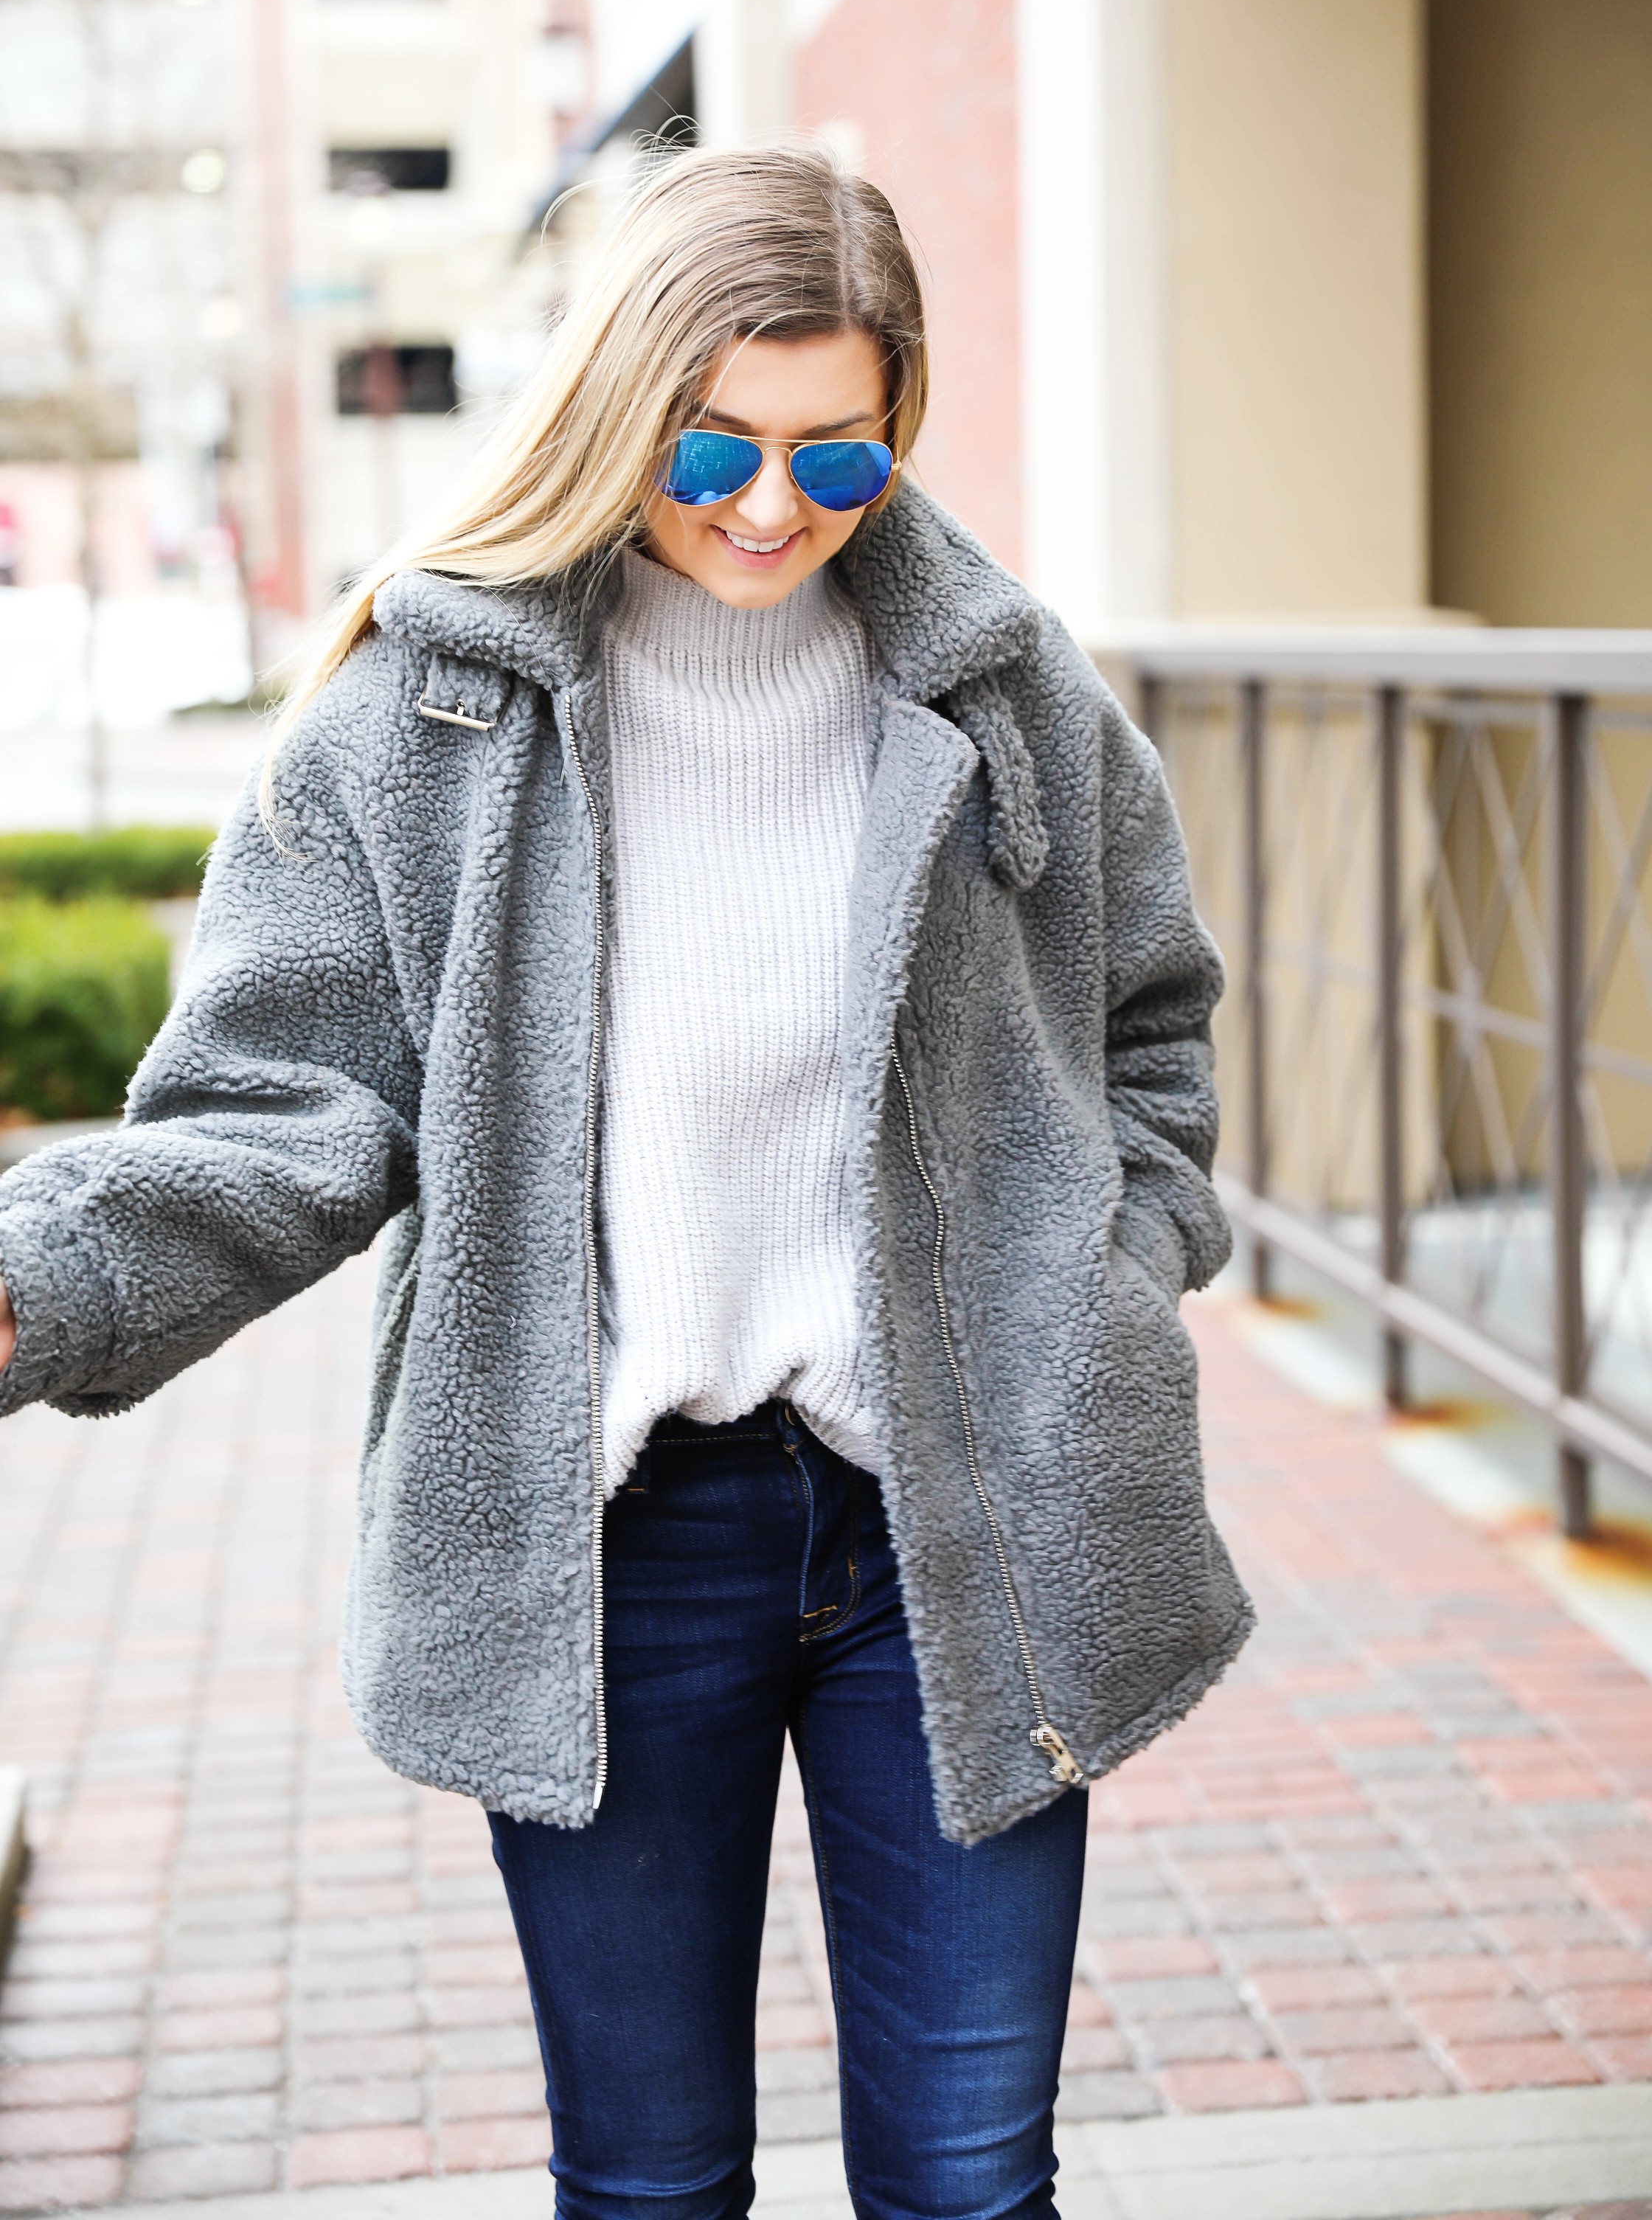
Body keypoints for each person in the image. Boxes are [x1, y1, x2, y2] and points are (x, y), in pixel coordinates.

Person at [0, 145, 1252, 2220]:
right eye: (717, 447)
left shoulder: (1006, 690)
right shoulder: (425, 716)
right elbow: (277, 1108)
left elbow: (1155, 1026)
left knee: (968, 2178)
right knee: (651, 2183)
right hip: (610, 1544)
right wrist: (37, 1283)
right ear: (613, 404)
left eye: (839, 463)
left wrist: (1116, 1273)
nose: (774, 509)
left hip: (963, 1503)